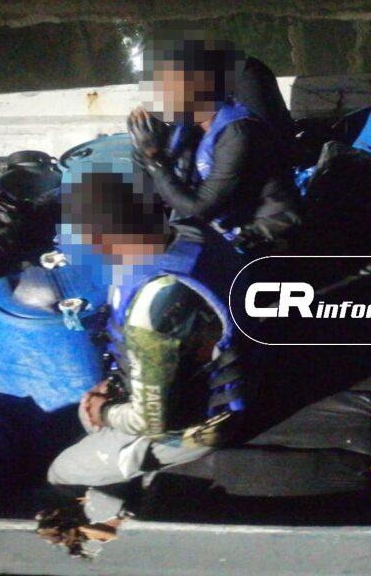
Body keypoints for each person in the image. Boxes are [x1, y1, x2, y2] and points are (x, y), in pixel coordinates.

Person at [46, 168, 252, 526]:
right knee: (87, 417)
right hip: (219, 370)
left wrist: (105, 411)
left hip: (195, 425)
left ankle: (116, 519)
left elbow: (151, 420)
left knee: (61, 472)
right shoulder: (194, 233)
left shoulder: (152, 313)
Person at [127, 33, 300, 254]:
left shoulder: (237, 132)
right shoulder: (187, 126)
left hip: (264, 224)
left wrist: (154, 159)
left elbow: (198, 210)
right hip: (223, 219)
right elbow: (157, 191)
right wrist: (141, 150)